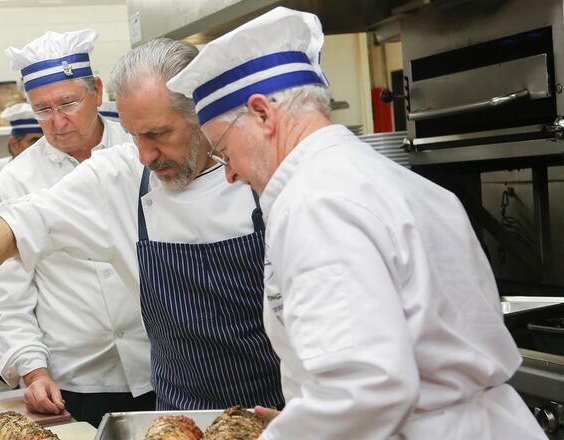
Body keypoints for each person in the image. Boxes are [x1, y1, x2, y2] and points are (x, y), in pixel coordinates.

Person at [166, 7, 546, 440]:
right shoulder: (387, 178)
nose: (229, 173)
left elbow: (364, 390)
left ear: (261, 114)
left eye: (221, 148)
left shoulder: (316, 203)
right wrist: (299, 421)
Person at [0, 37, 284, 412]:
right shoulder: (118, 172)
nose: (146, 155)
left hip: (275, 403)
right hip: (177, 411)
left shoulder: (262, 172)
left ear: (202, 111)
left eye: (158, 134)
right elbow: (18, 222)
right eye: (136, 137)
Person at [0, 29, 153, 426]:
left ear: (96, 90)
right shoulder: (17, 178)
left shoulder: (141, 150)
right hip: (77, 382)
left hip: (162, 363)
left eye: (68, 103)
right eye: (42, 110)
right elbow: (8, 295)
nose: (57, 122)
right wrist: (33, 369)